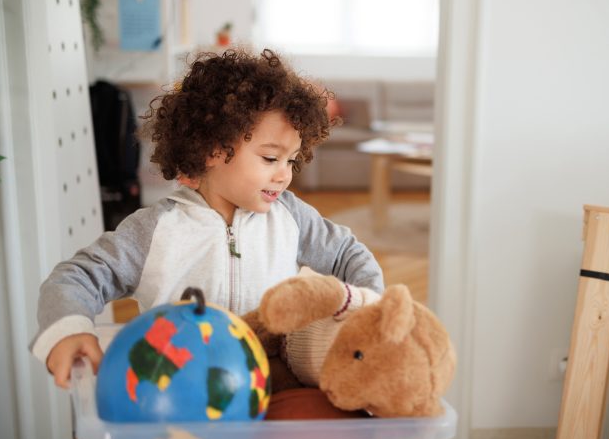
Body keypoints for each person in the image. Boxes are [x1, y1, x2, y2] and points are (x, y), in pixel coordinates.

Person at [31, 48, 384, 388]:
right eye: (270, 158)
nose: (285, 175)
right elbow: (77, 276)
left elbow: (346, 254)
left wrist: (370, 311)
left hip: (270, 385)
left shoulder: (290, 216)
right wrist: (70, 328)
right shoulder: (155, 230)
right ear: (213, 149)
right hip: (178, 390)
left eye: (291, 160)